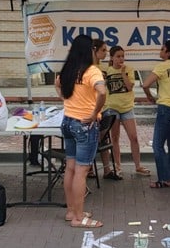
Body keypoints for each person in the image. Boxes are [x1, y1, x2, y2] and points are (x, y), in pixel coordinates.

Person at [56, 34, 106, 228]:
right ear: (90, 51)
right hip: (85, 124)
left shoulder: (69, 69)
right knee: (81, 171)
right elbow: (102, 92)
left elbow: (57, 85)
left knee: (70, 167)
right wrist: (95, 113)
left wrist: (66, 102)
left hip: (68, 121)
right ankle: (79, 218)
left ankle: (72, 211)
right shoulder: (92, 71)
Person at [142, 40, 170, 188]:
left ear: (168, 53)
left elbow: (145, 84)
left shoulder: (162, 67)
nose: (160, 51)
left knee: (158, 145)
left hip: (165, 108)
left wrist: (150, 96)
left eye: (162, 49)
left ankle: (164, 179)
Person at [105, 45, 151, 177]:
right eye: (118, 56)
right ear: (112, 58)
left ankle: (138, 166)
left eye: (122, 56)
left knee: (134, 137)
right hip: (112, 108)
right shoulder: (107, 71)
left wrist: (123, 73)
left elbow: (130, 87)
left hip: (127, 108)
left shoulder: (129, 70)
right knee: (115, 138)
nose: (121, 59)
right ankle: (118, 166)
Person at [92, 38, 121, 180]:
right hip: (91, 108)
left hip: (104, 107)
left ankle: (107, 170)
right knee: (94, 138)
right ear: (94, 50)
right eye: (103, 50)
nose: (105, 53)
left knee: (104, 138)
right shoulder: (87, 68)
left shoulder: (104, 68)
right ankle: (89, 169)